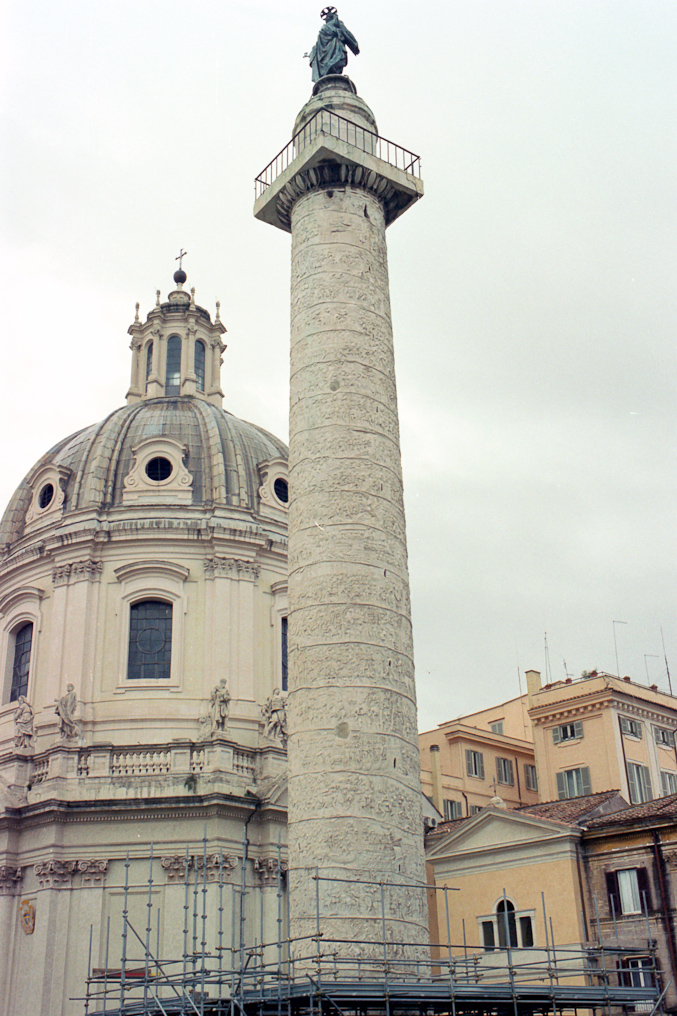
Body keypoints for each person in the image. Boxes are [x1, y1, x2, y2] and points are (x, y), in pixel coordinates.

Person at [306, 8, 359, 83]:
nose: (328, 19)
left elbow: (346, 32)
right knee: (330, 64)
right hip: (324, 52)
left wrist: (353, 44)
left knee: (336, 61)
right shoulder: (325, 28)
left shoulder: (338, 24)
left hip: (336, 47)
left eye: (330, 17)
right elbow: (320, 43)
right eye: (327, 18)